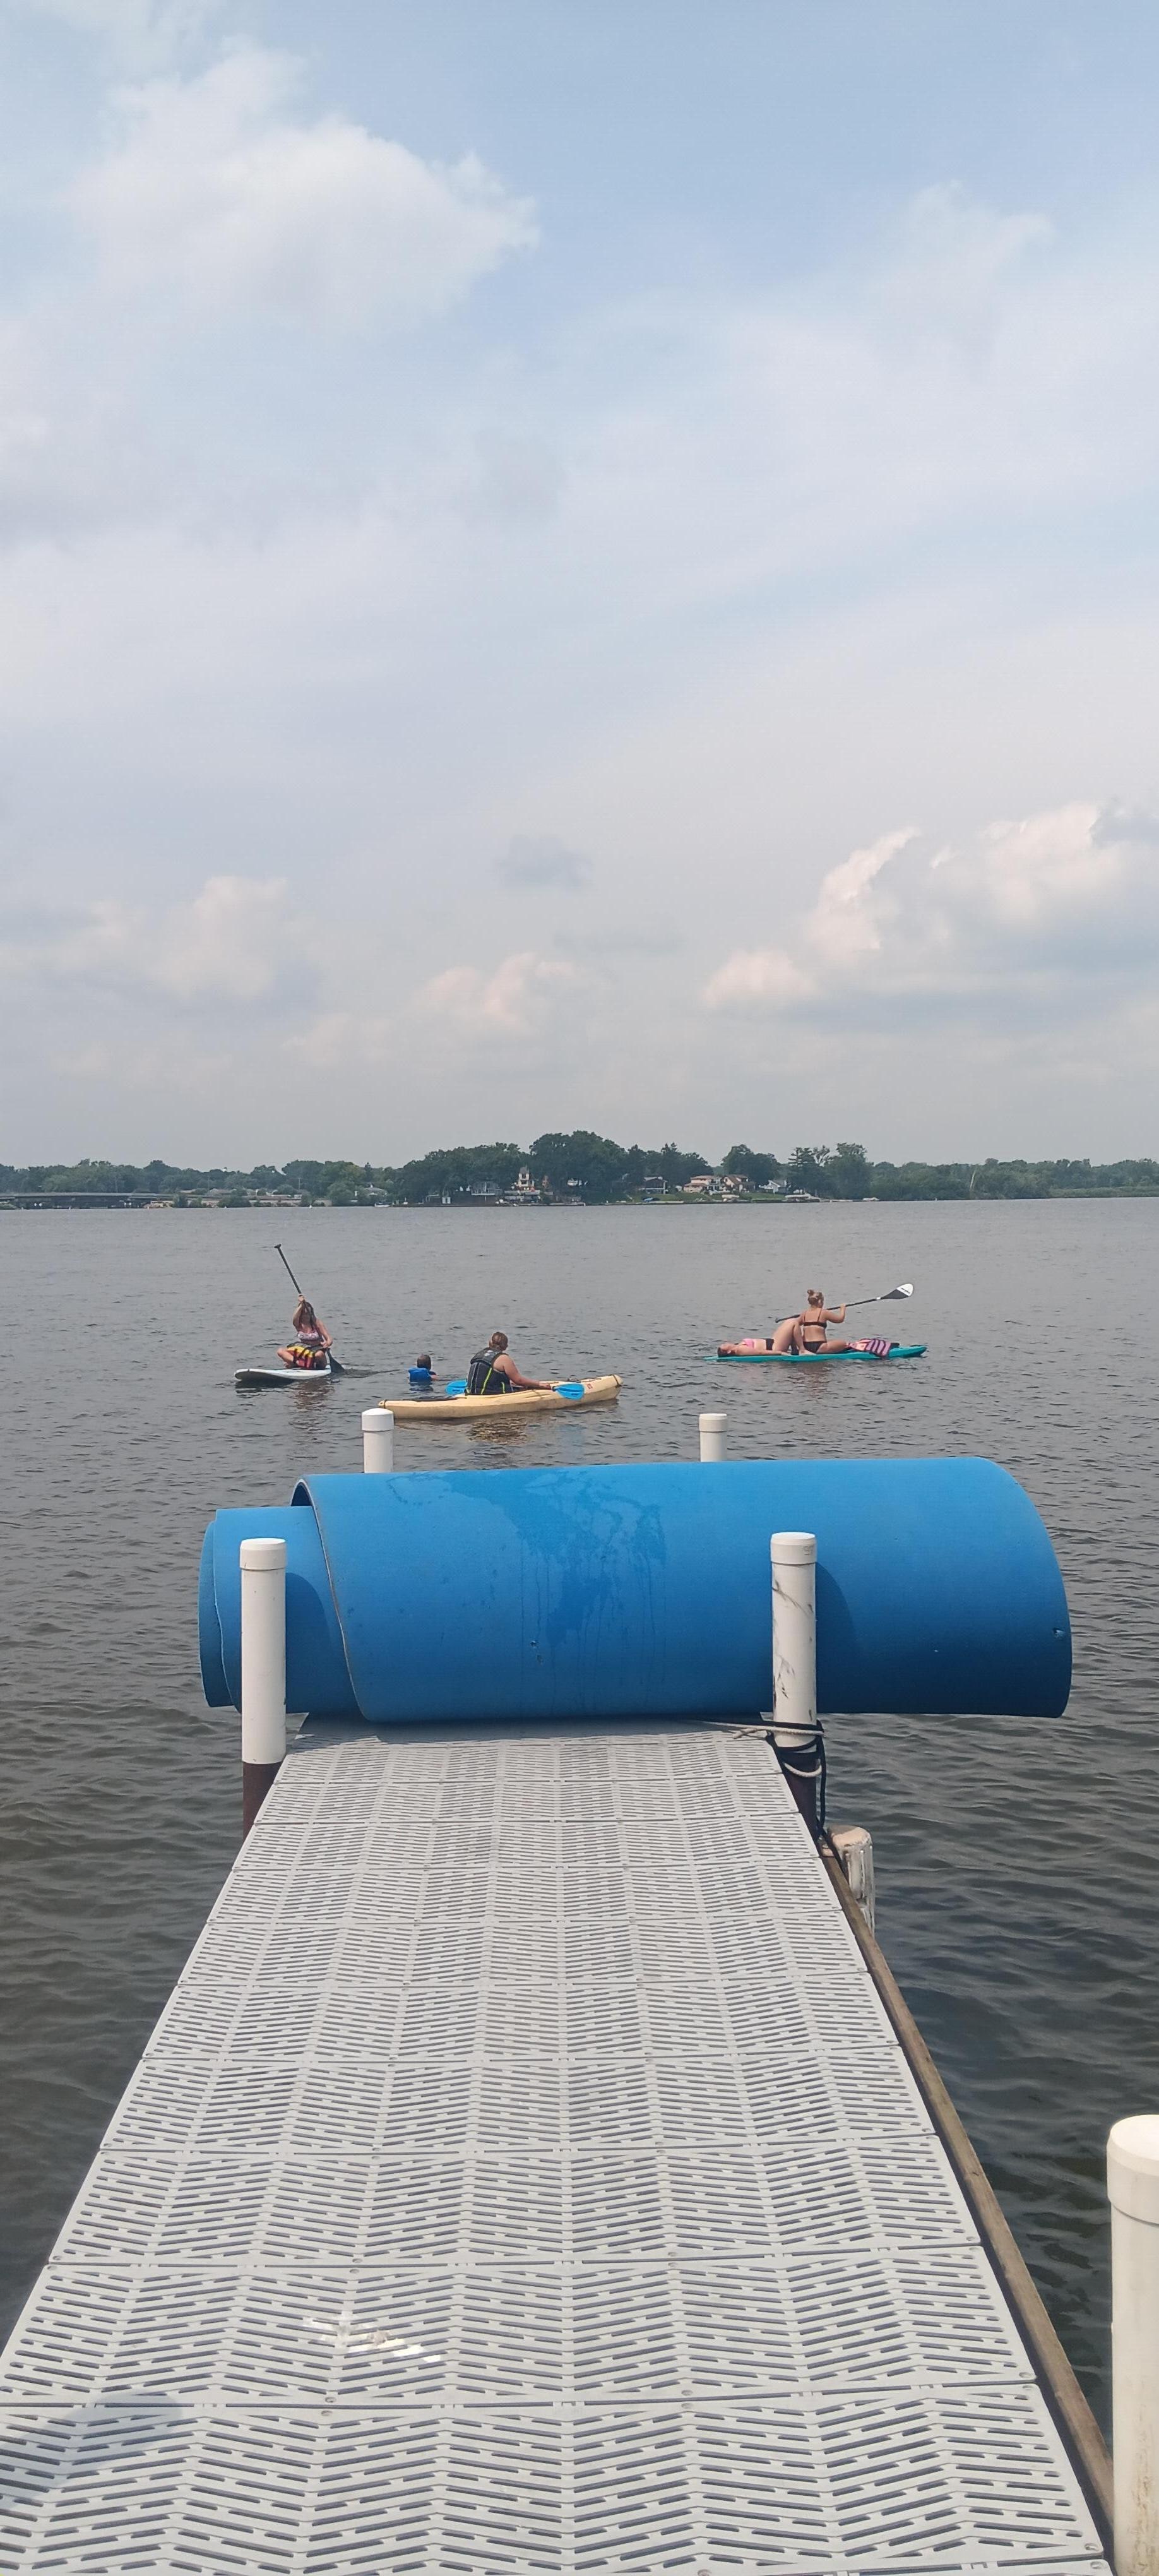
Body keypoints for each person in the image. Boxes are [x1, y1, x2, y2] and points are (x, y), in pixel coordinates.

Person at [466, 1330, 553, 1395]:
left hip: (471, 1391)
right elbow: (519, 1380)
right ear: (505, 1347)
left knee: (514, 1384)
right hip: (487, 1394)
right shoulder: (504, 1359)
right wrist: (539, 1384)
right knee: (523, 1388)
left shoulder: (479, 1354)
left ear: (490, 1343)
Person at [277, 1297, 332, 1371]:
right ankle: (298, 1363)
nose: (306, 1316)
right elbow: (294, 1318)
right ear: (301, 1314)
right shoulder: (298, 1324)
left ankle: (309, 1364)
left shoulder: (317, 1323)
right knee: (280, 1351)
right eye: (304, 1314)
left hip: (316, 1350)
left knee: (319, 1355)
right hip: (304, 1350)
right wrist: (301, 1305)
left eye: (308, 1314)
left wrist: (327, 1344)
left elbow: (329, 1339)